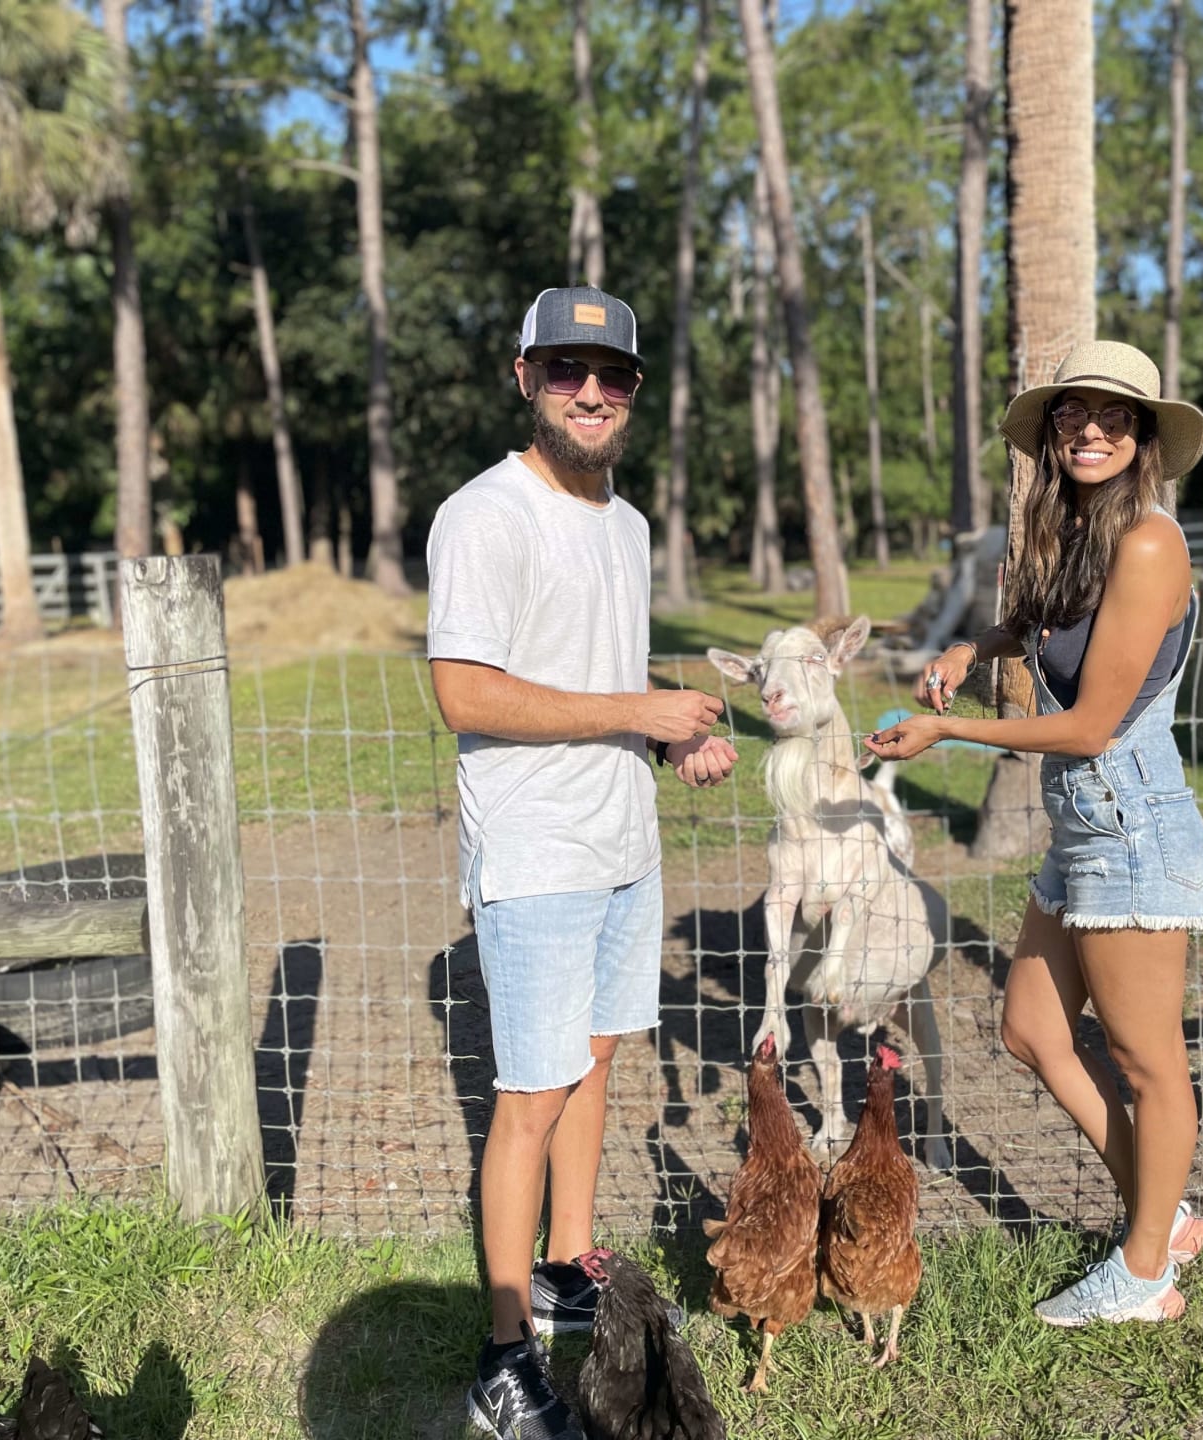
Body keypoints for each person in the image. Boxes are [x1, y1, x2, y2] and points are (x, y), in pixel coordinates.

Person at [427, 286, 738, 1439]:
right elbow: (465, 691)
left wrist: (679, 735)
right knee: (530, 1093)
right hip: (539, 848)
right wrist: (638, 706)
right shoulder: (485, 516)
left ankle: (566, 1264)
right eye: (568, 371)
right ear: (525, 377)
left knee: (597, 1059)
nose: (592, 393)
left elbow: (615, 671)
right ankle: (503, 1357)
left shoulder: (628, 523)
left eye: (613, 377)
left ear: (634, 393)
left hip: (621, 837)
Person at [864, 339, 1203, 1326]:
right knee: (1030, 1031)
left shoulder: (1150, 542)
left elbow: (1091, 722)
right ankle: (1166, 1214)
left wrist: (948, 727)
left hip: (1132, 823)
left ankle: (1144, 1273)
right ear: (1051, 429)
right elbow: (1039, 626)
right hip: (1083, 826)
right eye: (1072, 413)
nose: (1090, 430)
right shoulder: (1072, 529)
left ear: (1144, 434)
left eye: (1113, 416)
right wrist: (978, 645)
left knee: (1150, 1065)